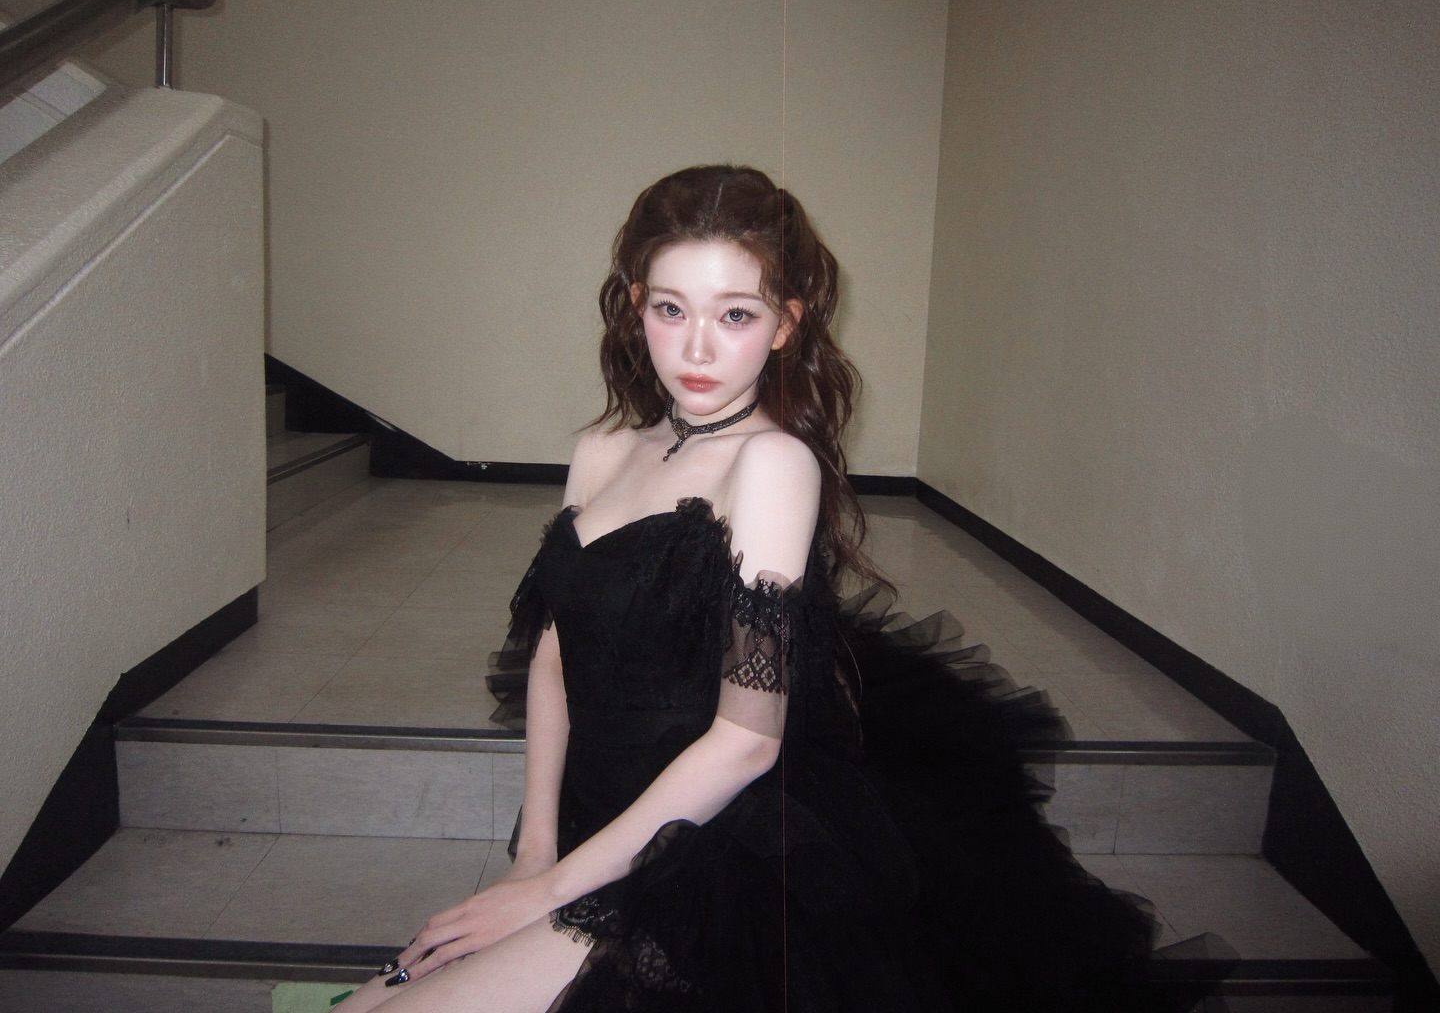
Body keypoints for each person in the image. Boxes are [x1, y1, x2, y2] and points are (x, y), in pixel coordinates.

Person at [336, 165, 1207, 1013]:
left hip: (715, 847)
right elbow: (553, 658)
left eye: (736, 314)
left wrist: (552, 892)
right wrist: (533, 856)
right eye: (671, 309)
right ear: (636, 306)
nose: (698, 348)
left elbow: (748, 742)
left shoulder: (773, 464)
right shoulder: (600, 450)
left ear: (786, 325)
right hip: (593, 826)